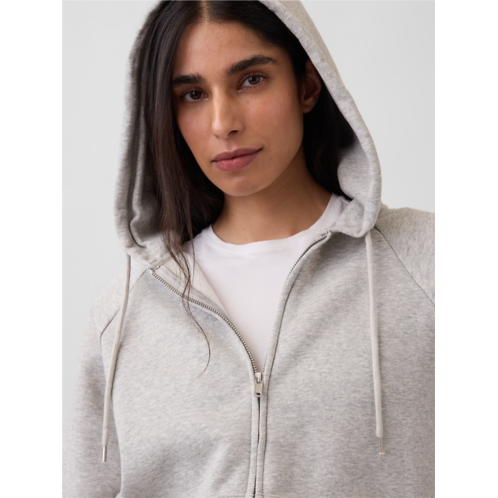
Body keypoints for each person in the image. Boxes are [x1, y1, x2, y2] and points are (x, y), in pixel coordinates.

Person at [62, 0, 435, 496]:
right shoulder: (125, 314)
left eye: (251, 80)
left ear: (307, 84)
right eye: (193, 94)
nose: (223, 122)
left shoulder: (420, 263)